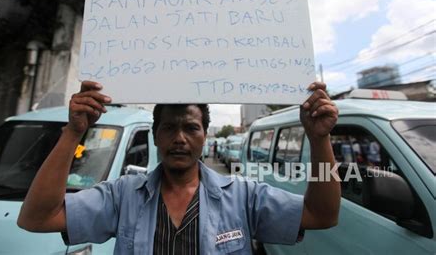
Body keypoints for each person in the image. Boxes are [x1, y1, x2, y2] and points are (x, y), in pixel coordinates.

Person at [17, 80, 340, 254]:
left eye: (191, 128)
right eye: (169, 128)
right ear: (156, 136)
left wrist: (319, 140)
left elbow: (322, 215)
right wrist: (74, 131)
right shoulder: (123, 195)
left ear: (205, 137)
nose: (180, 138)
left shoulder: (243, 196)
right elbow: (37, 218)